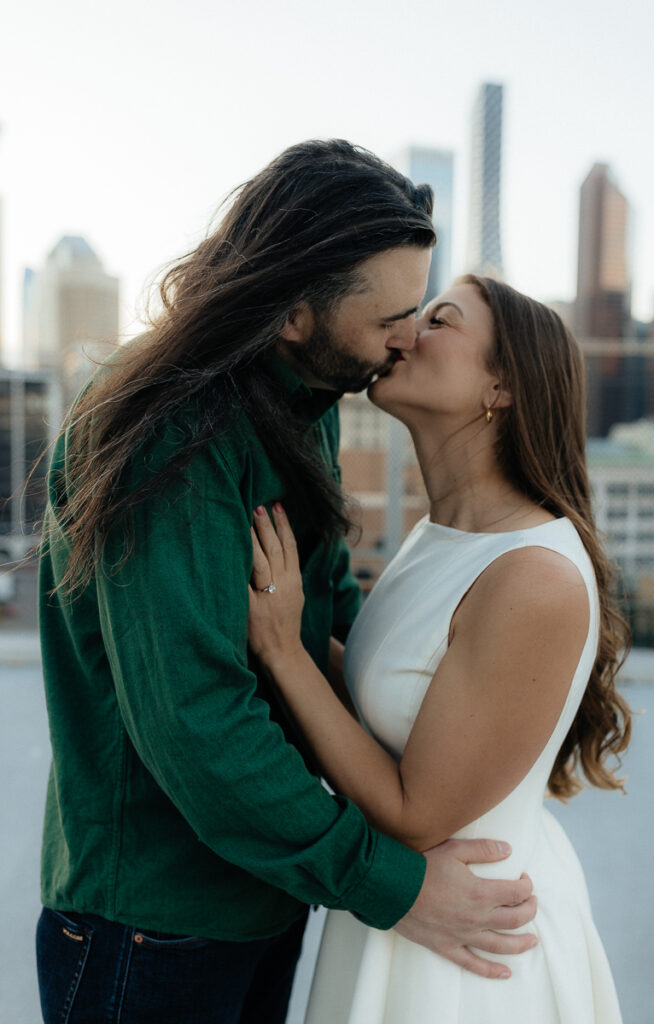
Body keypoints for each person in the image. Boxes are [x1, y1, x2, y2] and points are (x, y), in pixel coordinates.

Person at [35, 141, 539, 1024]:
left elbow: (334, 616)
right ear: (293, 313)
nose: (407, 336)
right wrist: (394, 884)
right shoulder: (169, 425)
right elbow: (198, 722)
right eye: (390, 315)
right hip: (154, 925)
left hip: (265, 899)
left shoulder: (304, 408)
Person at [247, 274, 633, 1023]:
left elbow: (414, 813)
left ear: (501, 387)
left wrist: (285, 652)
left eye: (440, 321)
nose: (404, 333)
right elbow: (390, 694)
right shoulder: (444, 534)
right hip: (409, 914)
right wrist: (286, 625)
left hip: (473, 949)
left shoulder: (532, 577)